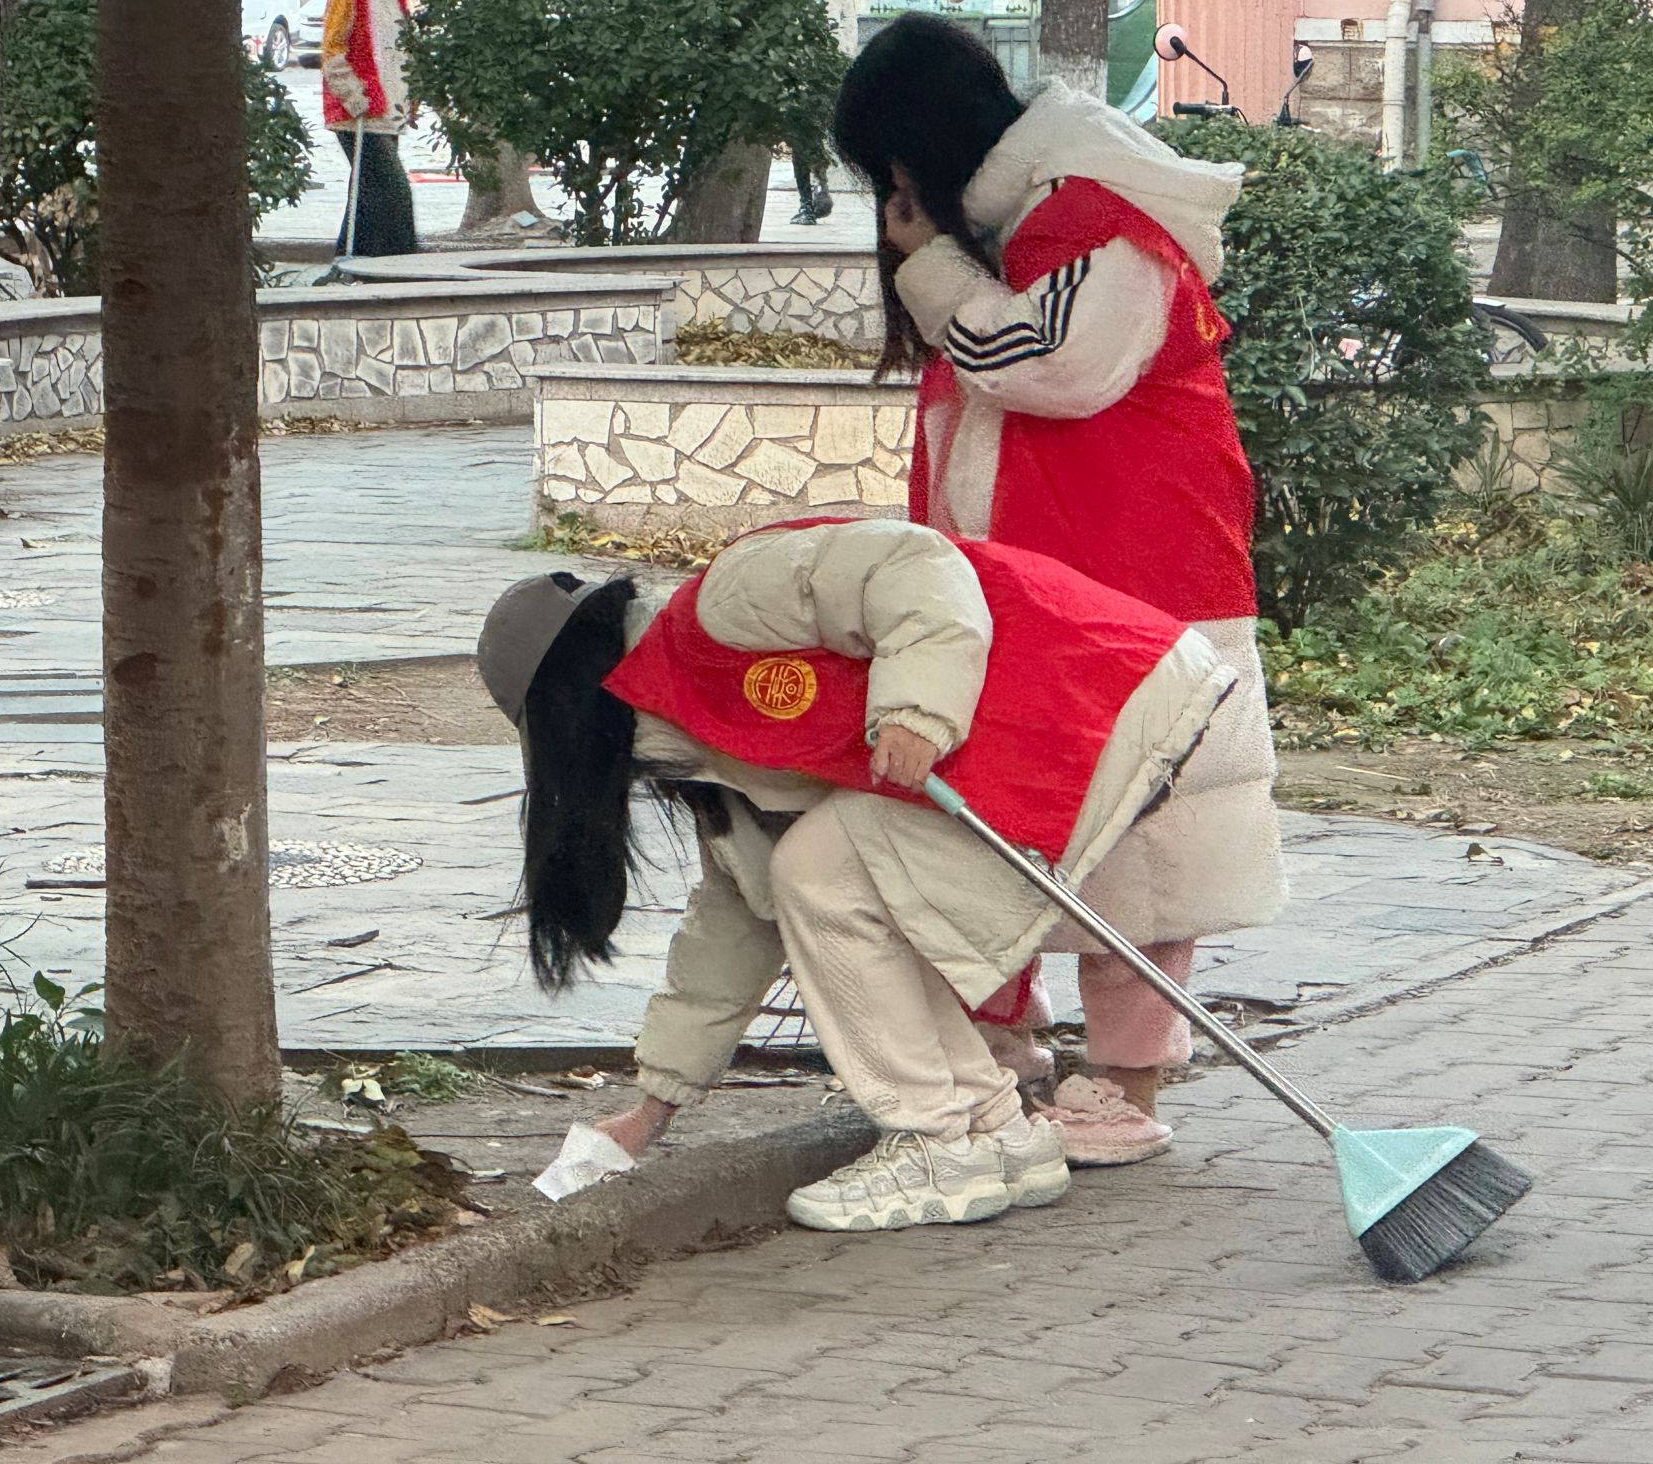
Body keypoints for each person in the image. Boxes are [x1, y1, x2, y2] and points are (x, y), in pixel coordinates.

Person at [476, 518, 1239, 1231]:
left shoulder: (725, 603)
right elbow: (733, 928)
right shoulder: (706, 754)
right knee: (832, 878)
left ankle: (935, 1142)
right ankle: (997, 1133)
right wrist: (652, 1110)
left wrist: (917, 711)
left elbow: (916, 562)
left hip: (1093, 692)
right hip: (1064, 721)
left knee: (819, 869)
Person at [832, 13, 1286, 1166]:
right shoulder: (1028, 222)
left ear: (914, 153)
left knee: (1150, 842)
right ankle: (1008, 1054)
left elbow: (1052, 369)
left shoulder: (1099, 220)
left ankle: (1124, 1083)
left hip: (1137, 578)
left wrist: (926, 266)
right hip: (1037, 583)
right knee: (1001, 828)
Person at [321, 0, 420, 257]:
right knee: (393, 191)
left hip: (389, 112)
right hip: (360, 112)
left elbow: (402, 55)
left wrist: (411, 97)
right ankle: (399, 260)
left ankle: (352, 259)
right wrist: (355, 96)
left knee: (367, 194)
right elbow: (333, 50)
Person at [791, 0, 856, 226]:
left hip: (796, 69)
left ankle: (807, 204)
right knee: (820, 131)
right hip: (830, 68)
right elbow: (849, 28)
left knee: (801, 135)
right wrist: (842, 64)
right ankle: (822, 187)